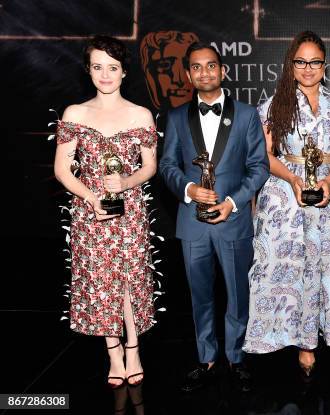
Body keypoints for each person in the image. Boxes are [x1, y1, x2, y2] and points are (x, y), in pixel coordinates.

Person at [242, 31, 330, 377]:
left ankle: (319, 337)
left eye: (315, 62)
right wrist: (295, 179)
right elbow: (265, 155)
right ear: (291, 64)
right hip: (284, 198)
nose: (308, 68)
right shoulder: (271, 104)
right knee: (289, 270)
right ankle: (295, 341)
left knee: (326, 267)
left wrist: (327, 180)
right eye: (301, 61)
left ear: (325, 65)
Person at [159, 42, 269, 392]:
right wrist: (189, 190)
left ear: (223, 71)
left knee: (238, 294)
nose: (204, 72)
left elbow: (259, 167)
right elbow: (166, 166)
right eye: (196, 67)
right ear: (189, 74)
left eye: (211, 65)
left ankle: (236, 358)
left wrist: (233, 203)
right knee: (200, 294)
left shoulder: (248, 115)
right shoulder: (176, 117)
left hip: (233, 221)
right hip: (192, 222)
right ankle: (206, 357)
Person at [53, 35, 158, 388]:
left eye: (112, 68)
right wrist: (91, 197)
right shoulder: (75, 114)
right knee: (100, 284)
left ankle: (133, 349)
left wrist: (126, 182)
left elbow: (149, 168)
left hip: (130, 214)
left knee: (130, 283)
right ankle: (113, 354)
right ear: (89, 71)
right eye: (98, 67)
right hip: (89, 214)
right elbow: (63, 170)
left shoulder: (140, 115)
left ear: (124, 72)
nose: (105, 74)